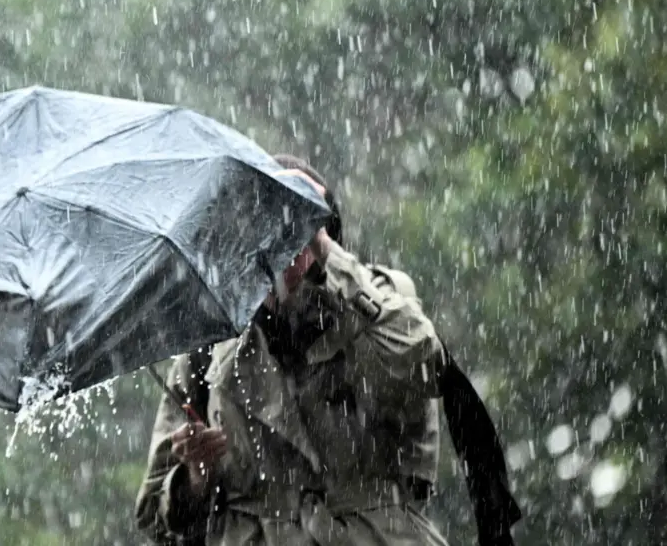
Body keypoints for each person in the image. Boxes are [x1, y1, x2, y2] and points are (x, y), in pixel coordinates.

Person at [135, 155, 519, 546]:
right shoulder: (209, 349)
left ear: (325, 237)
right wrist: (196, 480)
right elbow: (155, 519)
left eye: (293, 228)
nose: (275, 245)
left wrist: (326, 252)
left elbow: (422, 366)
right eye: (259, 227)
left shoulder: (379, 303)